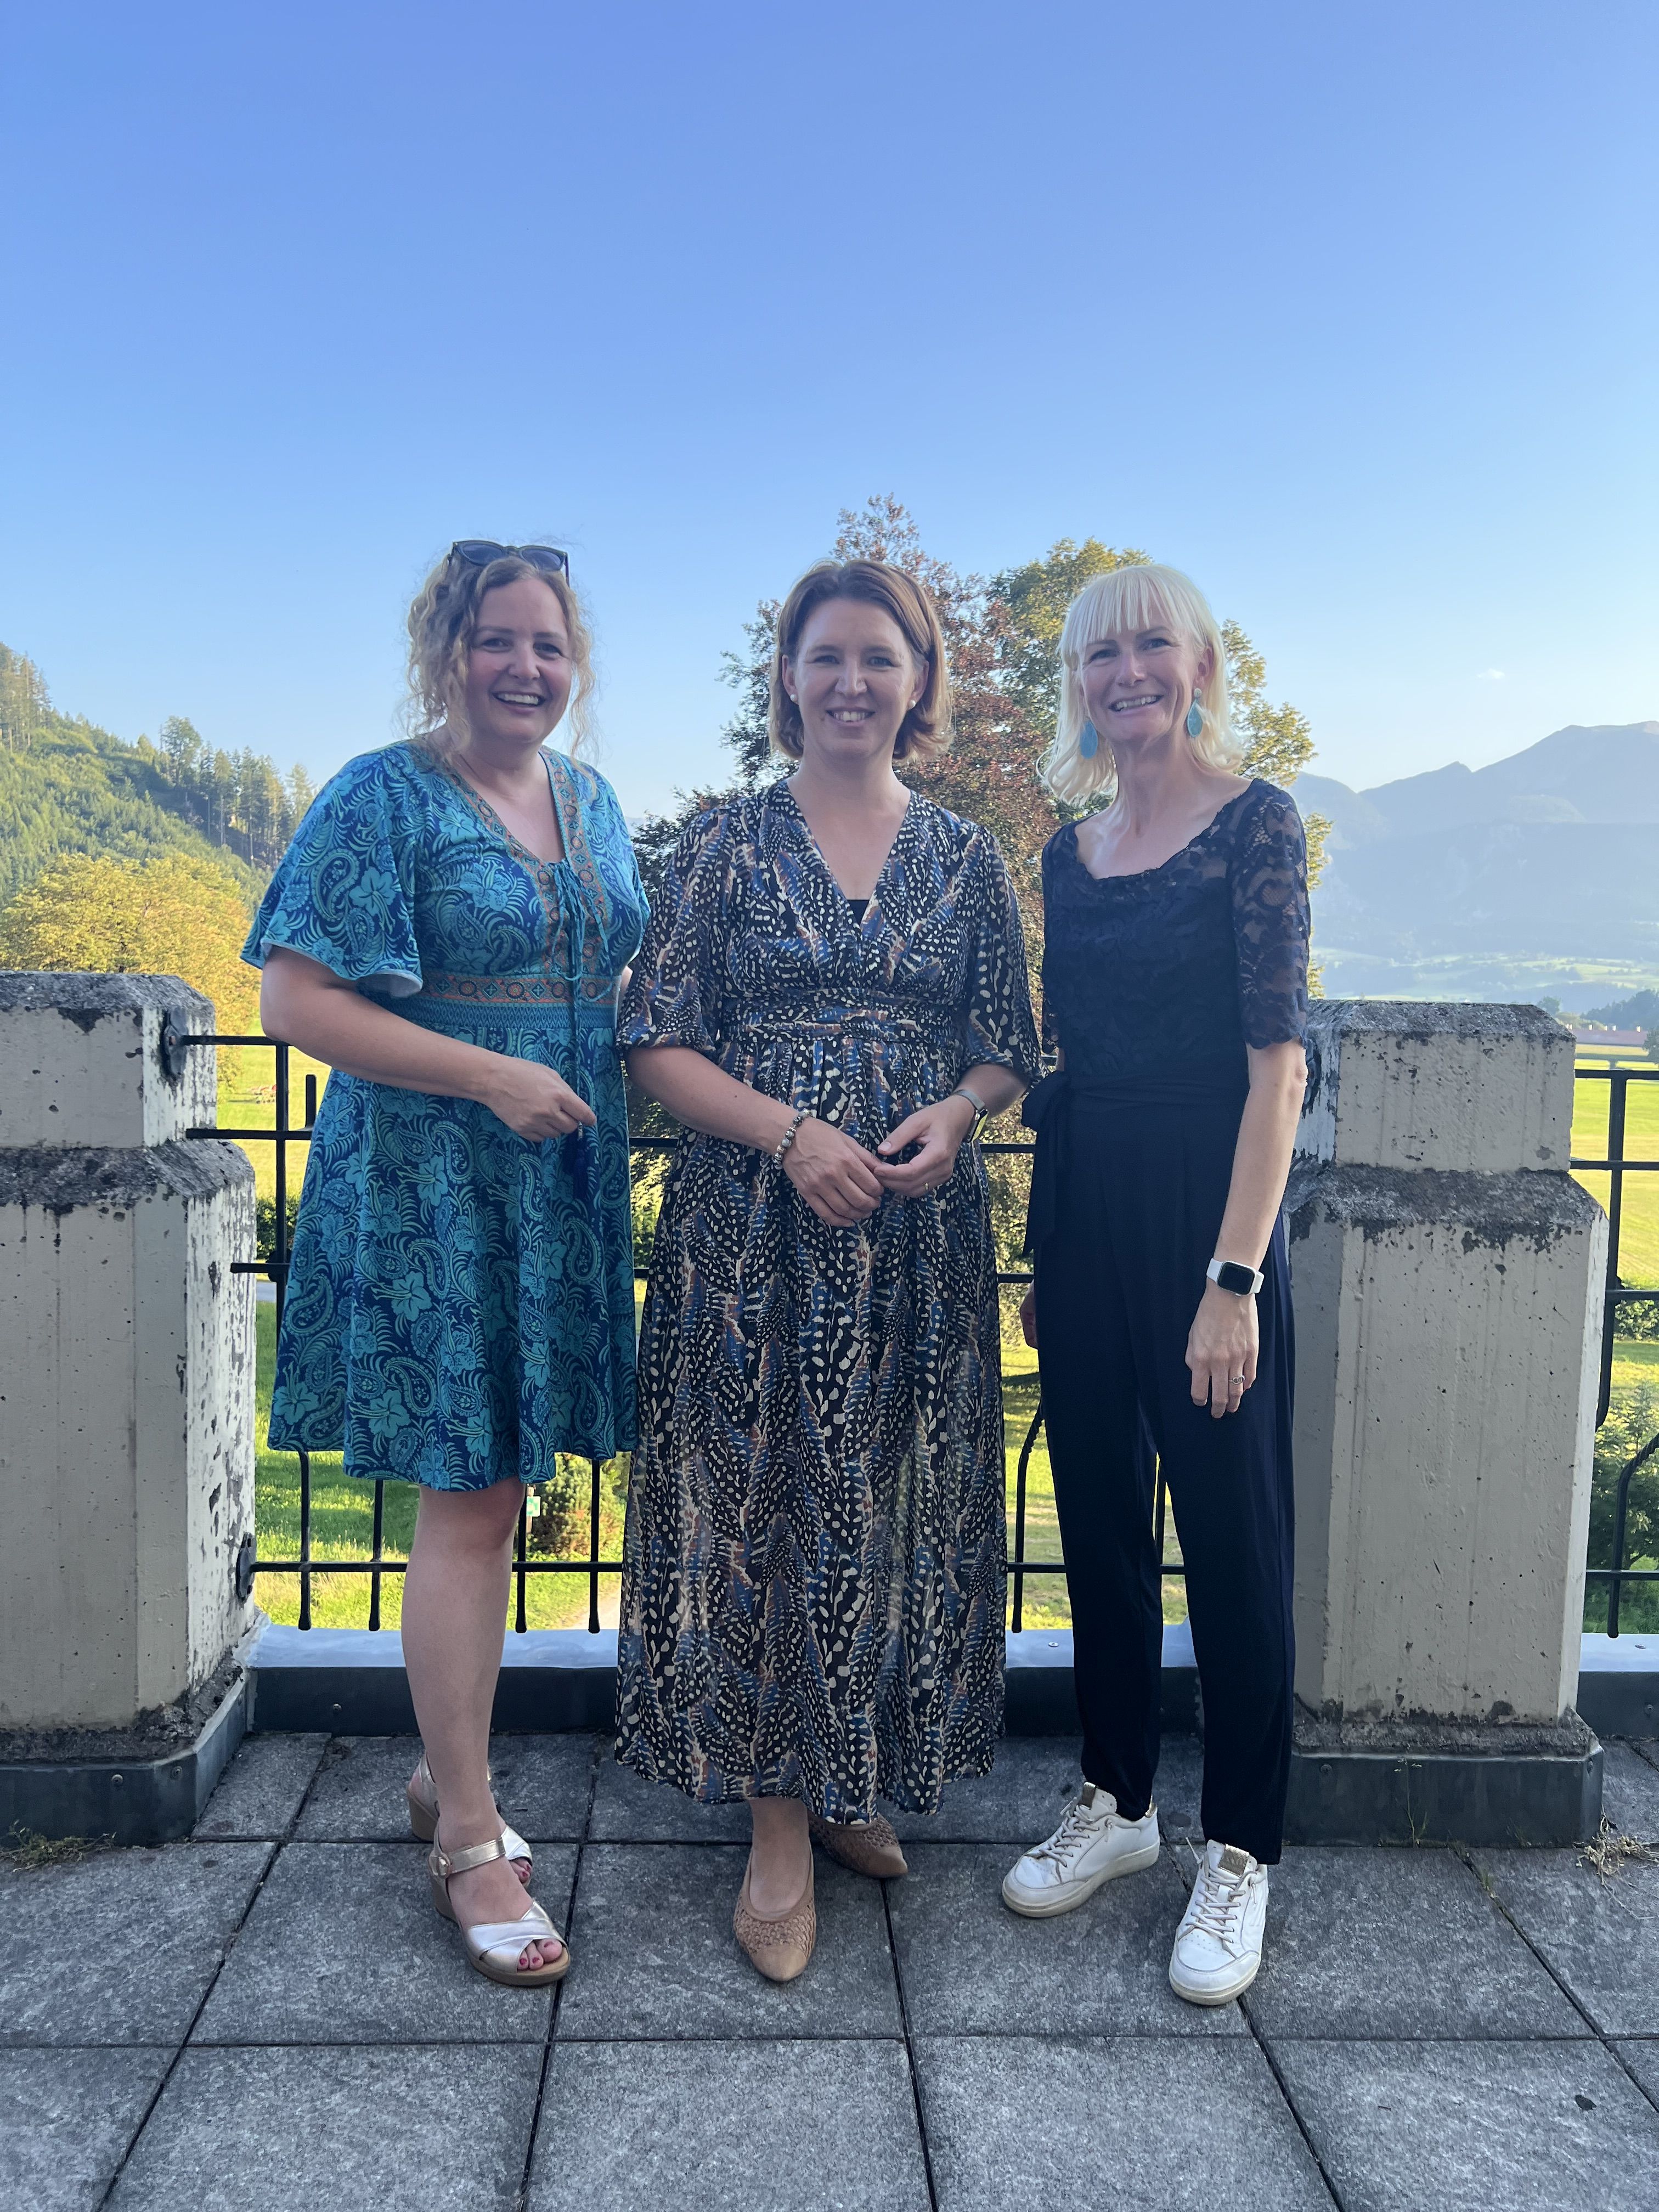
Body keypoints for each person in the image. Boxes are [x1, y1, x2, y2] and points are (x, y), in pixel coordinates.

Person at [617, 559, 1040, 1980]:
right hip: (751, 1227)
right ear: (788, 680)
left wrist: (959, 1112)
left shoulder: (968, 857)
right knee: (765, 1502)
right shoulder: (726, 845)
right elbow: (656, 1044)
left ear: (918, 683)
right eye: (826, 657)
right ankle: (778, 1827)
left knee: (885, 1503)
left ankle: (850, 1768)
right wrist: (792, 1134)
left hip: (913, 1233)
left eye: (879, 658)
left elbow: (1006, 1044)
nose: (852, 682)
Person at [246, 541, 646, 1989]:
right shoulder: (381, 793)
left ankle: (444, 1766)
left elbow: (614, 977)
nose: (526, 667)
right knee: (471, 1497)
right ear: (446, 651)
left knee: (503, 1491)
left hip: (556, 1182)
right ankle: (470, 1838)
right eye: (497, 640)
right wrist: (490, 1075)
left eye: (548, 644)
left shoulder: (592, 800)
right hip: (434, 1185)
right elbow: (295, 1002)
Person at [1001, 562, 1309, 2007]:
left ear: (1199, 668)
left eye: (1150, 645)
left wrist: (1233, 1280)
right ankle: (1119, 1802)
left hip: (1210, 1210)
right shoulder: (1069, 854)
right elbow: (1068, 1070)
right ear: (1078, 683)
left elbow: (1277, 1070)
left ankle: (1242, 1848)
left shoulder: (1257, 824)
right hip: (1089, 1209)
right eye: (1098, 653)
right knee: (1100, 1526)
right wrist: (1047, 1250)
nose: (1124, 671)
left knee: (1234, 1540)